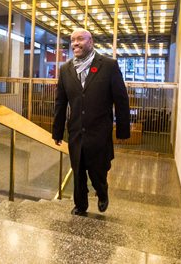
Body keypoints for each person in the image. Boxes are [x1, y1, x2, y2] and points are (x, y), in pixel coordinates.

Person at [52, 28, 130, 216]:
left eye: (80, 39)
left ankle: (102, 191)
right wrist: (57, 131)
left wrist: (122, 130)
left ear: (91, 42)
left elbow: (121, 100)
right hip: (76, 131)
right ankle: (81, 204)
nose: (75, 43)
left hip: (99, 132)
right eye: (72, 40)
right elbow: (60, 103)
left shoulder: (109, 66)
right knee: (78, 170)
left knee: (98, 171)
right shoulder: (65, 70)